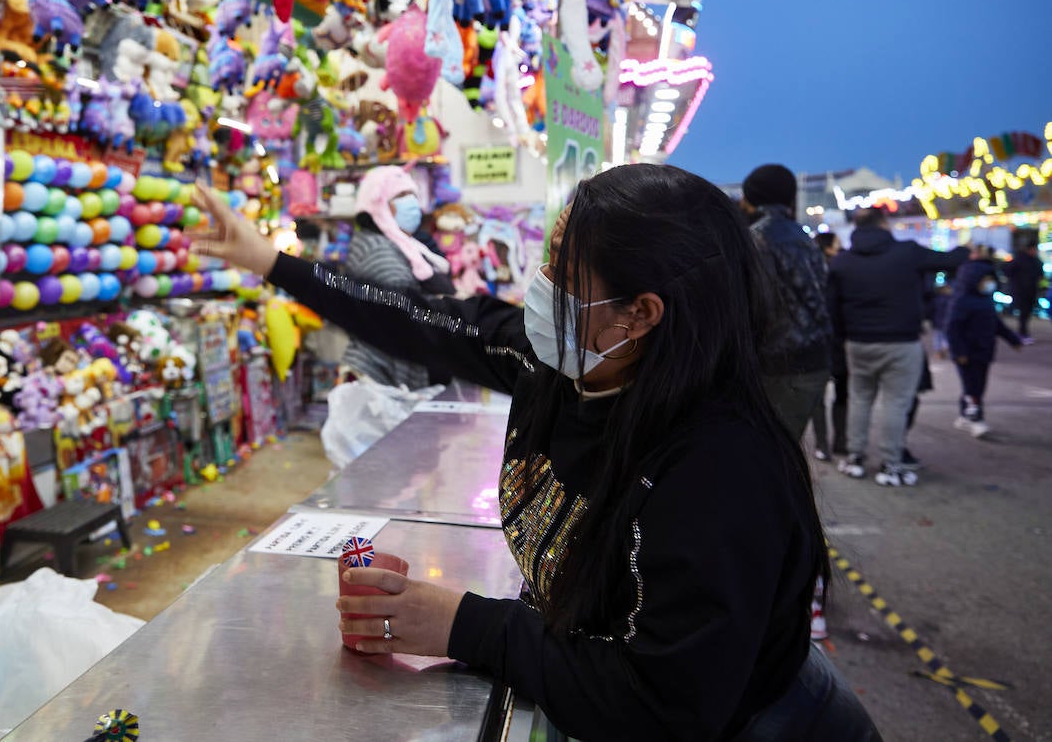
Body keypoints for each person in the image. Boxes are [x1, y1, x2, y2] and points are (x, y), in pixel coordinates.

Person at [194, 164, 879, 740]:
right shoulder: (560, 364)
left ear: (639, 314)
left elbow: (664, 702)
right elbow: (422, 319)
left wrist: (467, 626)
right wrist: (272, 263)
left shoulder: (720, 471)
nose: (539, 286)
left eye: (562, 271)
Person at [828, 209, 968, 486]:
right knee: (896, 403)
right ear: (884, 224)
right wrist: (966, 246)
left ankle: (855, 458)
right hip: (901, 342)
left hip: (858, 342)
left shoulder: (842, 261)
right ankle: (890, 465)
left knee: (860, 398)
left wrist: (843, 338)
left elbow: (831, 307)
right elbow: (953, 258)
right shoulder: (907, 252)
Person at [738, 164, 832, 440]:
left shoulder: (755, 239)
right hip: (814, 359)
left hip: (776, 365)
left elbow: (756, 307)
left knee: (768, 453)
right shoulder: (805, 238)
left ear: (749, 198)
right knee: (787, 447)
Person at [338, 166, 452, 387]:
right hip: (383, 373)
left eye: (413, 195)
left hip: (398, 366)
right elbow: (403, 308)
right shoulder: (376, 249)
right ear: (378, 205)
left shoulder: (406, 244)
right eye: (401, 196)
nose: (411, 203)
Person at [946, 261, 1022, 438]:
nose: (989, 283)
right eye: (984, 280)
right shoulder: (961, 302)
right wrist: (959, 352)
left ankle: (965, 414)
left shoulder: (986, 301)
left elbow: (996, 324)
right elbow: (952, 329)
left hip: (984, 352)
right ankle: (975, 419)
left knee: (977, 387)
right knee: (972, 387)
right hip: (967, 353)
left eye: (990, 279)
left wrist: (1013, 340)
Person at [808, 232, 847, 461]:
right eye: (837, 245)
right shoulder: (841, 271)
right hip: (836, 338)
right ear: (828, 248)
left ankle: (824, 445)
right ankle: (839, 441)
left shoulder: (808, 269)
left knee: (818, 398)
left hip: (818, 339)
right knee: (842, 392)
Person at [1007, 242, 1044, 344]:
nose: (1035, 251)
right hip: (1021, 291)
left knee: (1026, 313)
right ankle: (1022, 333)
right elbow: (1008, 271)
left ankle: (1023, 333)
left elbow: (1040, 274)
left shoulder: (1036, 261)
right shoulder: (1020, 260)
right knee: (1024, 313)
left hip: (1030, 290)